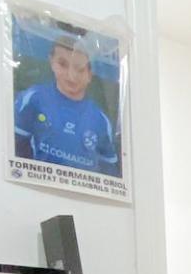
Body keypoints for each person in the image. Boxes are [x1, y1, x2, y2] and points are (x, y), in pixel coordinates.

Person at [13, 30, 117, 174]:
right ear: (52, 62)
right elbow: (14, 149)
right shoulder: (32, 98)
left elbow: (109, 172)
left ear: (89, 74)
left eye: (79, 69)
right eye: (63, 64)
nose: (71, 76)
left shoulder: (101, 121)